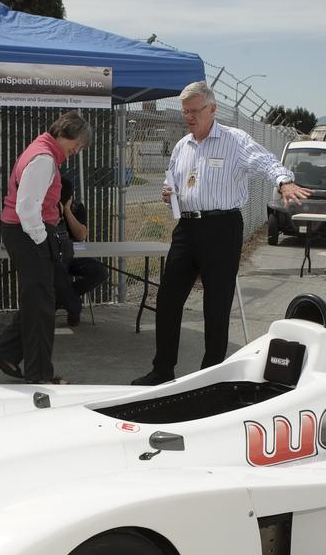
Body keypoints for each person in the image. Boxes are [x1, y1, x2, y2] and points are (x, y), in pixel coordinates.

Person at [132, 81, 311, 386]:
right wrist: (169, 193)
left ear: (212, 109)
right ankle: (162, 370)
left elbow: (266, 162)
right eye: (185, 111)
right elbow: (176, 183)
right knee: (168, 300)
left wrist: (283, 182)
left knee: (216, 304)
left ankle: (210, 376)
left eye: (195, 111)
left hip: (221, 228)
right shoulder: (181, 146)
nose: (189, 117)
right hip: (186, 228)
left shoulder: (234, 140)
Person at [0, 111, 92, 384]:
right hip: (29, 232)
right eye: (77, 144)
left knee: (38, 302)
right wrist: (41, 238)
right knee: (41, 307)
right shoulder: (44, 158)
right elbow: (26, 206)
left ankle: (5, 353)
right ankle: (40, 375)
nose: (75, 151)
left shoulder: (41, 149)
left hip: (24, 231)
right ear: (65, 133)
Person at [53, 179, 108, 327]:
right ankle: (72, 306)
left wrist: (67, 211)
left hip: (77, 256)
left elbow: (81, 235)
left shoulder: (77, 207)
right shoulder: (48, 209)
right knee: (59, 273)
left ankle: (62, 299)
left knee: (101, 272)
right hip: (57, 257)